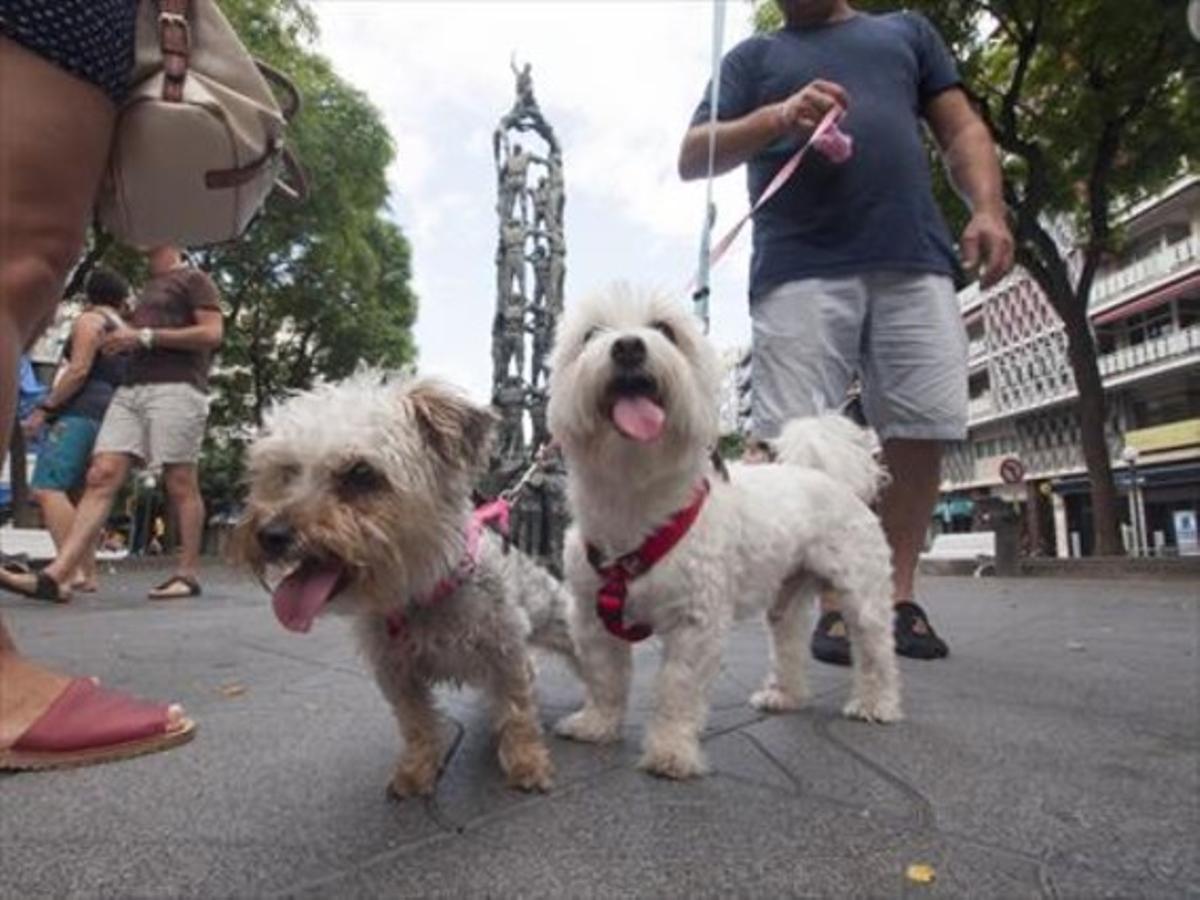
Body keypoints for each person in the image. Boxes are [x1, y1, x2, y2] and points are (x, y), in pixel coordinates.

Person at [678, 0, 1014, 665]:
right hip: (799, 267)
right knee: (801, 438)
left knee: (919, 425)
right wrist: (779, 116)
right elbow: (694, 155)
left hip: (914, 255)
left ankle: (894, 596)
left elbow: (961, 130)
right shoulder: (753, 59)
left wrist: (989, 208)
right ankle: (833, 602)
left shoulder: (906, 32)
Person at [0, 4, 194, 771]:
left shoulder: (183, 284)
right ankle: (63, 570)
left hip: (142, 395)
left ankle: (76, 567)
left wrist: (140, 341)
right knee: (22, 256)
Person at [2, 245, 224, 603]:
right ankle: (58, 576)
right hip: (129, 390)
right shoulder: (145, 291)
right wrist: (125, 342)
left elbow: (213, 334)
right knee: (100, 475)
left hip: (177, 386)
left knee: (179, 479)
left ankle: (187, 573)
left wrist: (145, 336)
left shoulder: (194, 280)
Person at [22, 268, 130, 592]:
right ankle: (88, 574)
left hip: (80, 411)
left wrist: (45, 408)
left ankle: (66, 571)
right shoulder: (126, 329)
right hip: (111, 413)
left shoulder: (89, 320)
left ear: (87, 295)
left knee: (46, 486)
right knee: (82, 495)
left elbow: (79, 369)